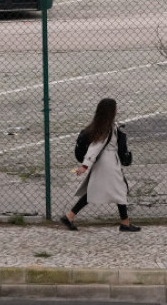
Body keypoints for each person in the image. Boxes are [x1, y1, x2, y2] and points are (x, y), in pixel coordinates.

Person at [61, 97, 139, 232]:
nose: (117, 110)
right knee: (120, 191)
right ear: (111, 111)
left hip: (106, 163)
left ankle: (69, 216)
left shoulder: (105, 126)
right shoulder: (106, 128)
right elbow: (95, 147)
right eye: (115, 108)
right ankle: (125, 224)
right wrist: (85, 166)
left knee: (95, 192)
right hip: (108, 165)